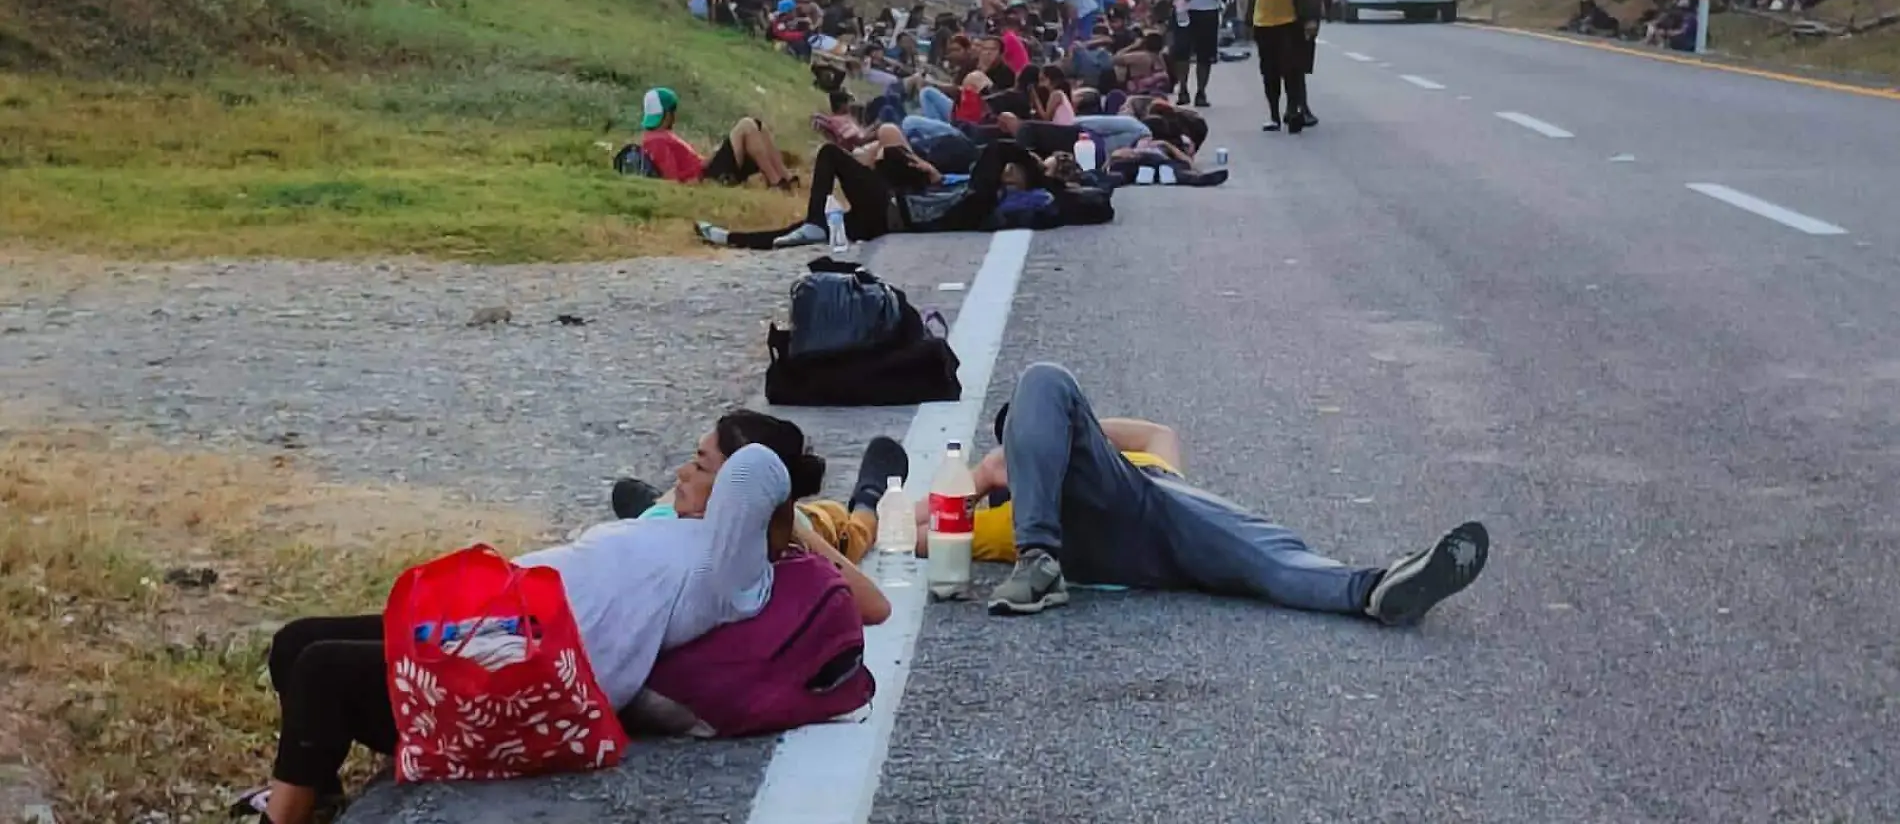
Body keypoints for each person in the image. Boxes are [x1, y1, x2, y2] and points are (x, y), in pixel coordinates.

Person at [239, 414, 844, 824]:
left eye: (702, 465)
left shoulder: (727, 576)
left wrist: (781, 487)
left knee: (322, 670)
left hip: (527, 677)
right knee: (298, 642)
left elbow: (758, 470)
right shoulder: (683, 530)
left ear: (748, 499)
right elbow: (739, 480)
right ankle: (316, 798)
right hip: (497, 629)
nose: (682, 473)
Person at [914, 363, 1489, 623]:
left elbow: (1157, 433)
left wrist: (1078, 428)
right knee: (1041, 378)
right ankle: (1043, 567)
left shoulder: (1139, 462)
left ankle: (1380, 589)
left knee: (1270, 562)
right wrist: (987, 474)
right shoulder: (1003, 517)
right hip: (1082, 538)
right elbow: (908, 532)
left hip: (1164, 515)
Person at [694, 134, 1046, 248]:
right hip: (888, 217)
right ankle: (729, 237)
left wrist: (1035, 164)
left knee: (831, 154)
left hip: (890, 208)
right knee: (797, 234)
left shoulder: (983, 198)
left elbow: (999, 147)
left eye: (1012, 171)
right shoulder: (979, 194)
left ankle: (816, 220)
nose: (1005, 170)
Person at [613, 436, 909, 569]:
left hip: (813, 525)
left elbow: (870, 601)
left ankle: (870, 500)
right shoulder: (660, 520)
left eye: (700, 466)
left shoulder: (794, 540)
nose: (681, 472)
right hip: (678, 518)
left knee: (852, 532)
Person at [634, 87, 796, 188]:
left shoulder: (661, 136)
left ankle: (783, 176)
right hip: (707, 178)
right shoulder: (655, 141)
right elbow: (674, 180)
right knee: (746, 125)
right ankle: (775, 181)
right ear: (667, 113)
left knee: (757, 125)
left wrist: (708, 158)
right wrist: (707, 164)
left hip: (706, 170)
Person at [1249, 0, 1322, 134]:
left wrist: (1309, 18)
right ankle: (1273, 115)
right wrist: (1248, 19)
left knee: (1292, 69)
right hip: (1263, 24)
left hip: (1288, 23)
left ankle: (1293, 111)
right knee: (1269, 72)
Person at [1293, 0, 1334, 122]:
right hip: (1290, 17)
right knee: (1292, 65)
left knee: (1301, 66)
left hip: (1311, 20)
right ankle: (1300, 107)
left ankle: (1298, 106)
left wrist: (1328, 10)